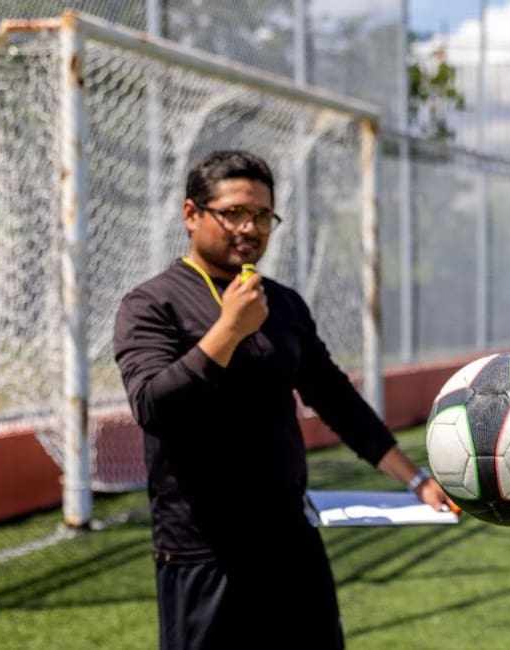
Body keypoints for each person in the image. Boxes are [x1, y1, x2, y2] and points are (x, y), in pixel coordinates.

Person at [113, 149, 452, 650]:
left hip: (291, 542)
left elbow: (337, 399)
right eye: (233, 213)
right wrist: (227, 331)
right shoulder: (151, 304)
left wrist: (417, 478)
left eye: (261, 216)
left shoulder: (284, 303)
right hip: (203, 552)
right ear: (191, 215)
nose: (249, 229)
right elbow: (153, 406)